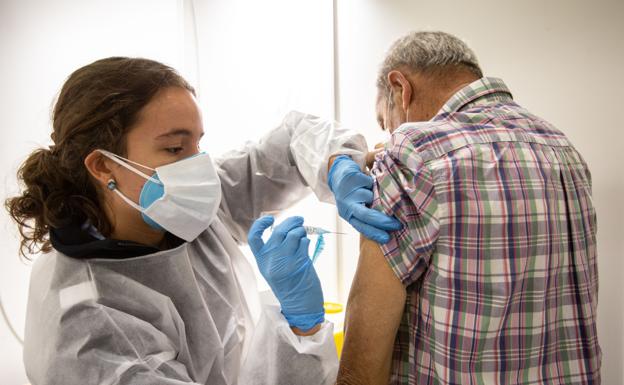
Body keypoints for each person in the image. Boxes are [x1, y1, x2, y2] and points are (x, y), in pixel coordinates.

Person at [5, 57, 401, 385]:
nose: (199, 168)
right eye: (175, 147)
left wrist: (337, 164)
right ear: (103, 164)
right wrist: (297, 329)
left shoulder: (177, 210)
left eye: (198, 144)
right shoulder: (88, 331)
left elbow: (293, 141)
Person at [330, 31, 601, 384]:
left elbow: (363, 361)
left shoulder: (413, 152)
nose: (388, 135)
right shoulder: (561, 148)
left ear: (400, 88)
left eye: (385, 120)